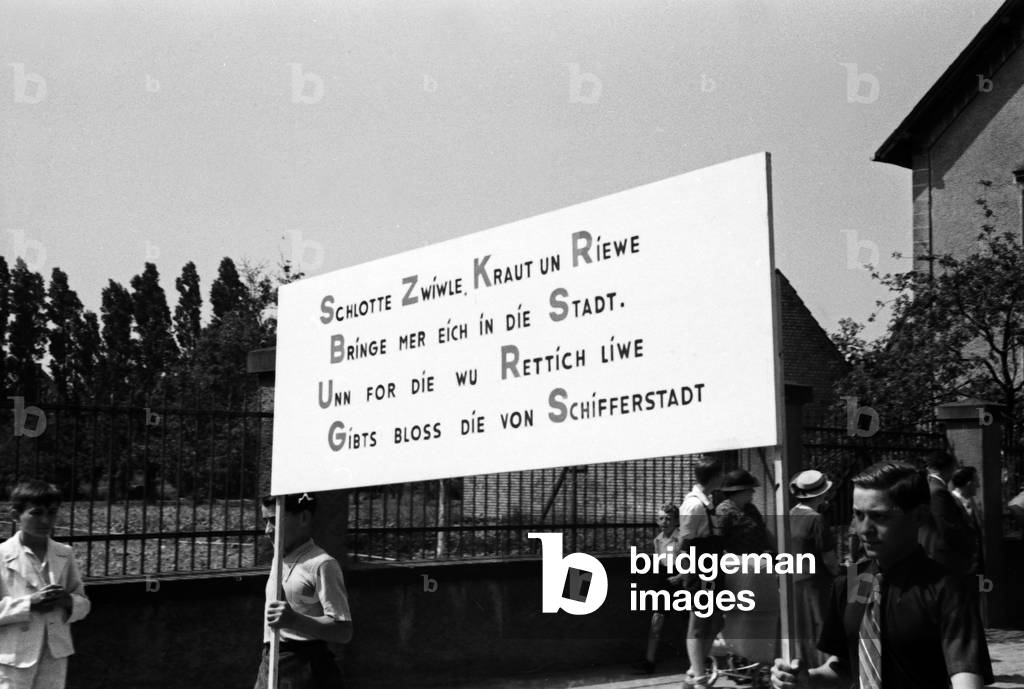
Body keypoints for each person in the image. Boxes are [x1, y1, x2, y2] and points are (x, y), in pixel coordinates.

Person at [771, 461, 993, 689]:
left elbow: (965, 675)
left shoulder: (946, 589)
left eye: (880, 517)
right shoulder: (850, 583)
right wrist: (807, 678)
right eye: (858, 515)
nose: (863, 529)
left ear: (918, 516)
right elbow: (844, 666)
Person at [255, 493, 353, 689]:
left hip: (305, 669)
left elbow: (344, 631)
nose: (267, 530)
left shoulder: (322, 564)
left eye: (274, 520)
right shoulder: (278, 557)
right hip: (270, 662)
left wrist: (294, 620)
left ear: (304, 518)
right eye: (265, 521)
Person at [0, 480, 90, 689]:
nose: (45, 520)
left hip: (54, 653)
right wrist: (29, 603)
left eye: (52, 512)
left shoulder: (63, 553)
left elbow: (83, 603)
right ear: (15, 515)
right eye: (36, 513)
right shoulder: (2, 556)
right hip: (13, 657)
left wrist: (67, 601)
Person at [677, 456, 725, 689]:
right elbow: (685, 541)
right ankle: (699, 677)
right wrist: (688, 574)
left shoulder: (707, 501)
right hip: (700, 568)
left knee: (714, 621)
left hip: (712, 566)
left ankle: (693, 670)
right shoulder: (694, 504)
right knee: (699, 622)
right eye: (720, 474)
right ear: (714, 477)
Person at [788, 470, 839, 667]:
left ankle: (804, 667)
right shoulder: (816, 519)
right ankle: (825, 669)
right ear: (821, 494)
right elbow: (829, 559)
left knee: (801, 629)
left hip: (792, 578)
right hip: (816, 581)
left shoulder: (789, 515)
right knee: (822, 625)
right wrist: (840, 574)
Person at [633, 502, 681, 674]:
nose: (664, 522)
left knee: (693, 619)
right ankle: (649, 661)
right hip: (665, 581)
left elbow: (691, 561)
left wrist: (681, 576)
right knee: (657, 620)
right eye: (661, 518)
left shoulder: (681, 538)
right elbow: (661, 562)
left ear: (676, 521)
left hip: (682, 580)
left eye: (668, 518)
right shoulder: (658, 540)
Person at [918, 450, 976, 581]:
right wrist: (967, 550)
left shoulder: (928, 485)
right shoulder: (938, 491)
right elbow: (947, 527)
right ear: (949, 468)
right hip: (944, 557)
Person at [714, 469, 774, 555]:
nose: (753, 491)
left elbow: (762, 533)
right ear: (739, 491)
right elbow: (719, 542)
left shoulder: (751, 508)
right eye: (749, 489)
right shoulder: (724, 511)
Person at [950, 466, 985, 577]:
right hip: (960, 567)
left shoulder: (974, 502)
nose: (978, 485)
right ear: (968, 483)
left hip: (976, 564)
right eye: (977, 482)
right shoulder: (950, 502)